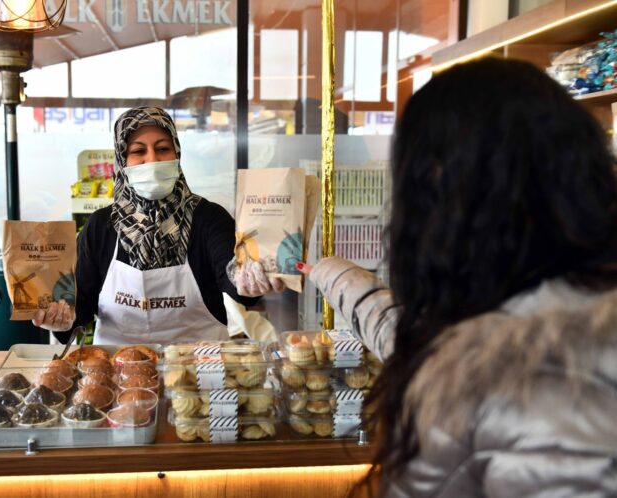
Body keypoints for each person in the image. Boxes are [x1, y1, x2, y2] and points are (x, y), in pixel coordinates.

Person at [303, 57, 617, 496]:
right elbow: (412, 340)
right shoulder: (534, 309)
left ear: (441, 183)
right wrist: (324, 270)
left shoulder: (532, 380)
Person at [35, 107, 282, 344]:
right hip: (116, 372)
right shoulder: (101, 226)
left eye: (163, 149)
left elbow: (232, 281)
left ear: (177, 154)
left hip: (201, 369)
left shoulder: (208, 218)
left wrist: (249, 278)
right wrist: (61, 319)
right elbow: (82, 304)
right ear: (122, 160)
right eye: (138, 151)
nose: (152, 160)